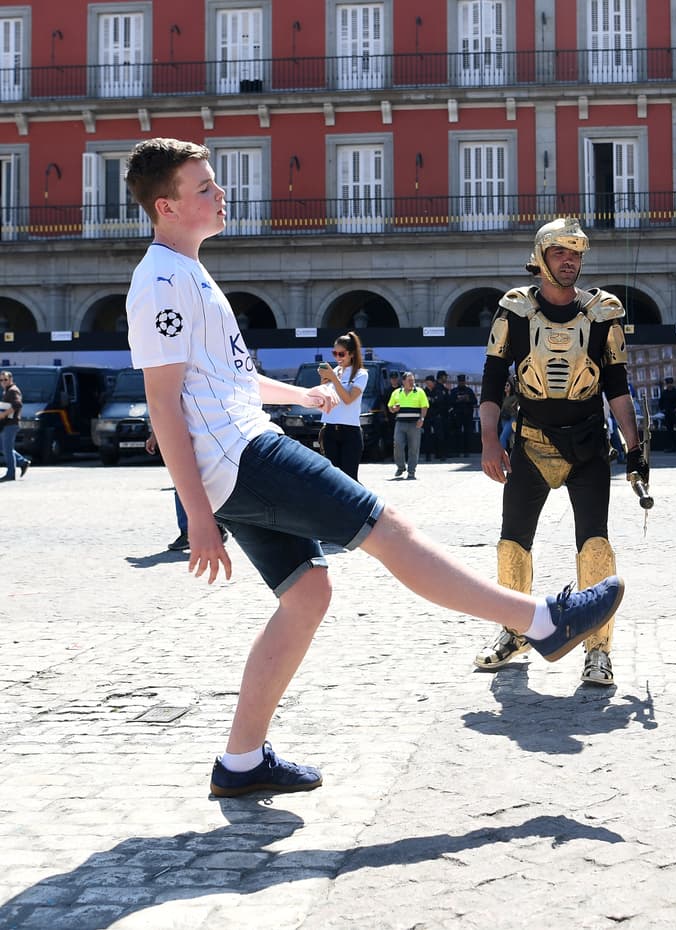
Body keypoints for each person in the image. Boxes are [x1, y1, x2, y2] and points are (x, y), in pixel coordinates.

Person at [123, 139, 624, 797]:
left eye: (215, 184)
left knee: (308, 593)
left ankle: (240, 761)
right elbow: (163, 403)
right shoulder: (161, 279)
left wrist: (300, 395)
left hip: (237, 450)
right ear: (166, 206)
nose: (222, 195)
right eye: (205, 189)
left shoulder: (190, 272)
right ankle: (542, 622)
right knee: (388, 527)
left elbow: (226, 378)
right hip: (241, 457)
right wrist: (197, 516)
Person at [474, 218, 646, 687]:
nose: (569, 262)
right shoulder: (514, 310)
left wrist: (636, 448)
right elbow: (492, 382)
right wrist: (490, 442)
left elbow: (617, 386)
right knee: (513, 541)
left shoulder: (603, 312)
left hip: (588, 443)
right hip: (530, 442)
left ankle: (598, 650)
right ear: (542, 257)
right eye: (560, 254)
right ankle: (514, 630)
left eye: (576, 255)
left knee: (595, 543)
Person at [318, 331, 366, 483]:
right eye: (334, 353)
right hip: (330, 429)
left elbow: (348, 399)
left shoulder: (361, 374)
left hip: (350, 431)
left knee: (350, 480)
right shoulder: (334, 372)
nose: (337, 358)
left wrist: (333, 379)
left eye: (341, 354)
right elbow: (323, 401)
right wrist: (324, 380)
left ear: (351, 354)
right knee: (333, 479)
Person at [388, 370, 428, 479]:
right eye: (409, 380)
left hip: (414, 424)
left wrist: (422, 419)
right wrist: (393, 409)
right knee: (398, 445)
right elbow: (390, 407)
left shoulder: (419, 392)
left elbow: (424, 406)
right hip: (400, 423)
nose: (412, 382)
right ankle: (401, 467)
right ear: (403, 381)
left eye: (413, 380)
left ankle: (411, 471)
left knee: (414, 448)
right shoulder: (396, 393)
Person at [0, 370, 31, 482]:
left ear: (11, 379)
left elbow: (18, 404)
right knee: (3, 447)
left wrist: (3, 414)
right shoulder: (7, 391)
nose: (3, 382)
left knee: (7, 449)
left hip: (11, 424)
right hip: (6, 424)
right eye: (1, 380)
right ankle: (23, 462)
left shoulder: (13, 390)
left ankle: (11, 474)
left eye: (5, 379)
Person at [449, 373, 478, 456]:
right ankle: (457, 451)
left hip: (467, 415)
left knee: (467, 434)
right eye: (460, 381)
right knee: (457, 434)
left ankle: (466, 451)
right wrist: (458, 400)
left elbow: (475, 402)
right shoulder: (454, 391)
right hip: (457, 415)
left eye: (463, 381)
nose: (462, 383)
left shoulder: (469, 391)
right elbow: (450, 402)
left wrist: (467, 399)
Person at [424, 372, 450, 460]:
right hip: (427, 416)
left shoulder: (438, 391)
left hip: (437, 416)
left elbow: (440, 402)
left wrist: (431, 401)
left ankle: (441, 454)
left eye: (430, 383)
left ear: (433, 382)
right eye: (427, 383)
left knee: (439, 436)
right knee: (427, 436)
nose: (428, 384)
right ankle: (428, 455)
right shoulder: (424, 392)